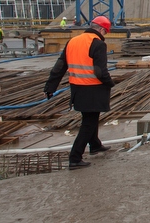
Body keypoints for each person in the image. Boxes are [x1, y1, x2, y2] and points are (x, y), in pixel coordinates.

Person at [44, 16, 114, 169]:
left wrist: (50, 86)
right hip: (93, 89)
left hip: (77, 89)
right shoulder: (98, 44)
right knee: (88, 123)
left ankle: (95, 145)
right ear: (102, 30)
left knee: (91, 118)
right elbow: (100, 71)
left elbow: (60, 66)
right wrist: (110, 83)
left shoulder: (73, 41)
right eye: (105, 32)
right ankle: (75, 157)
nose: (105, 35)